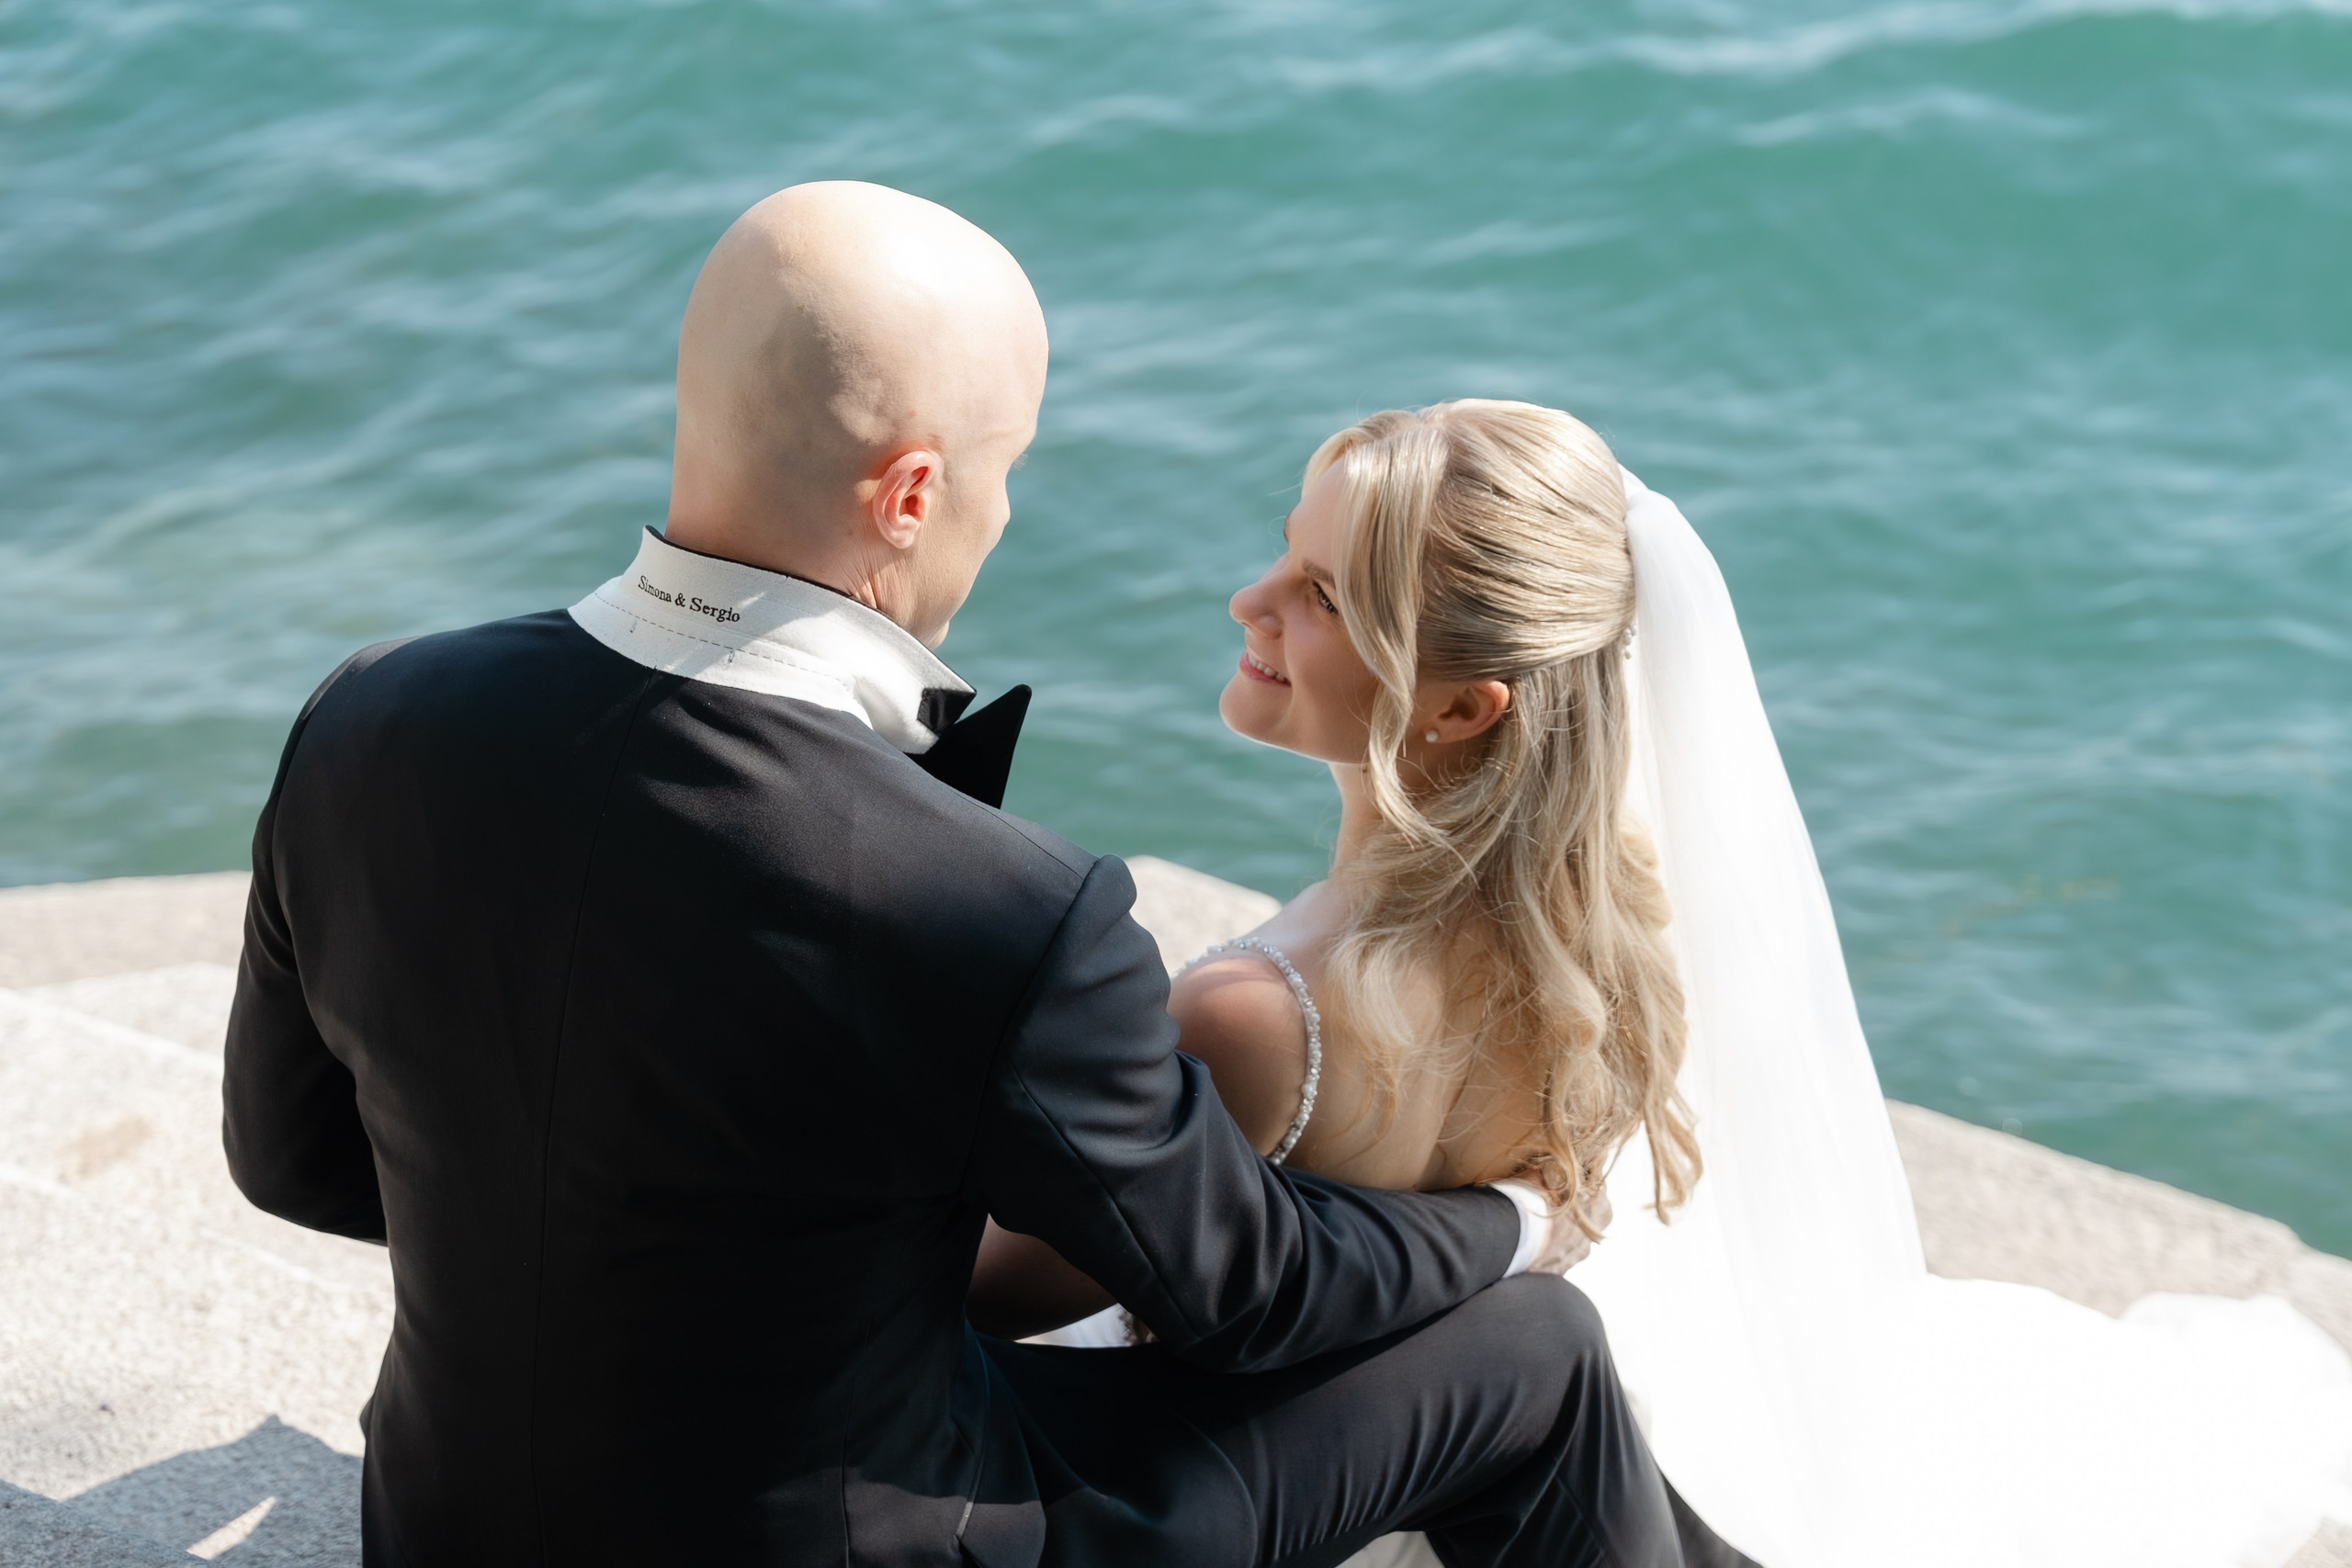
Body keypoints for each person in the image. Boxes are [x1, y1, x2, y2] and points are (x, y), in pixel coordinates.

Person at [220, 184, 1715, 1567]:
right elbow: (1250, 1292)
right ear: (914, 494)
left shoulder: (366, 714)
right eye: (1008, 470)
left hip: (446, 1526)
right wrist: (1520, 1218)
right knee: (1541, 1354)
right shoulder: (1006, 906)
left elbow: (290, 1160)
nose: (1005, 514)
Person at [977, 399, 2352, 1568]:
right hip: (1474, 1473)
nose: (1251, 601)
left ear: (1463, 707)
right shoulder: (1601, 953)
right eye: (1287, 553)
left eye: (1323, 598)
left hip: (1280, 1486)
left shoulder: (1255, 1014)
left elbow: (1007, 1293)